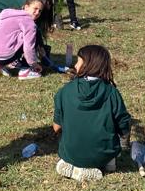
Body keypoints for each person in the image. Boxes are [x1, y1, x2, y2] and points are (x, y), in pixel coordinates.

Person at [53, 44, 131, 182]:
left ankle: (72, 166)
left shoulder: (65, 91)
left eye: (78, 61)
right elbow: (123, 124)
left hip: (71, 152)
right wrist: (123, 143)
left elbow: (56, 127)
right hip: (104, 152)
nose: (75, 65)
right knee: (109, 155)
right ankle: (104, 164)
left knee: (68, 149)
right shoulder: (111, 92)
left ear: (88, 65)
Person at [0, 0, 45, 80]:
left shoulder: (8, 14)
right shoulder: (29, 23)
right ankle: (25, 70)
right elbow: (28, 47)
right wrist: (33, 63)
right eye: (35, 8)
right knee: (33, 38)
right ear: (26, 7)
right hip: (4, 56)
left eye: (40, 11)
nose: (37, 12)